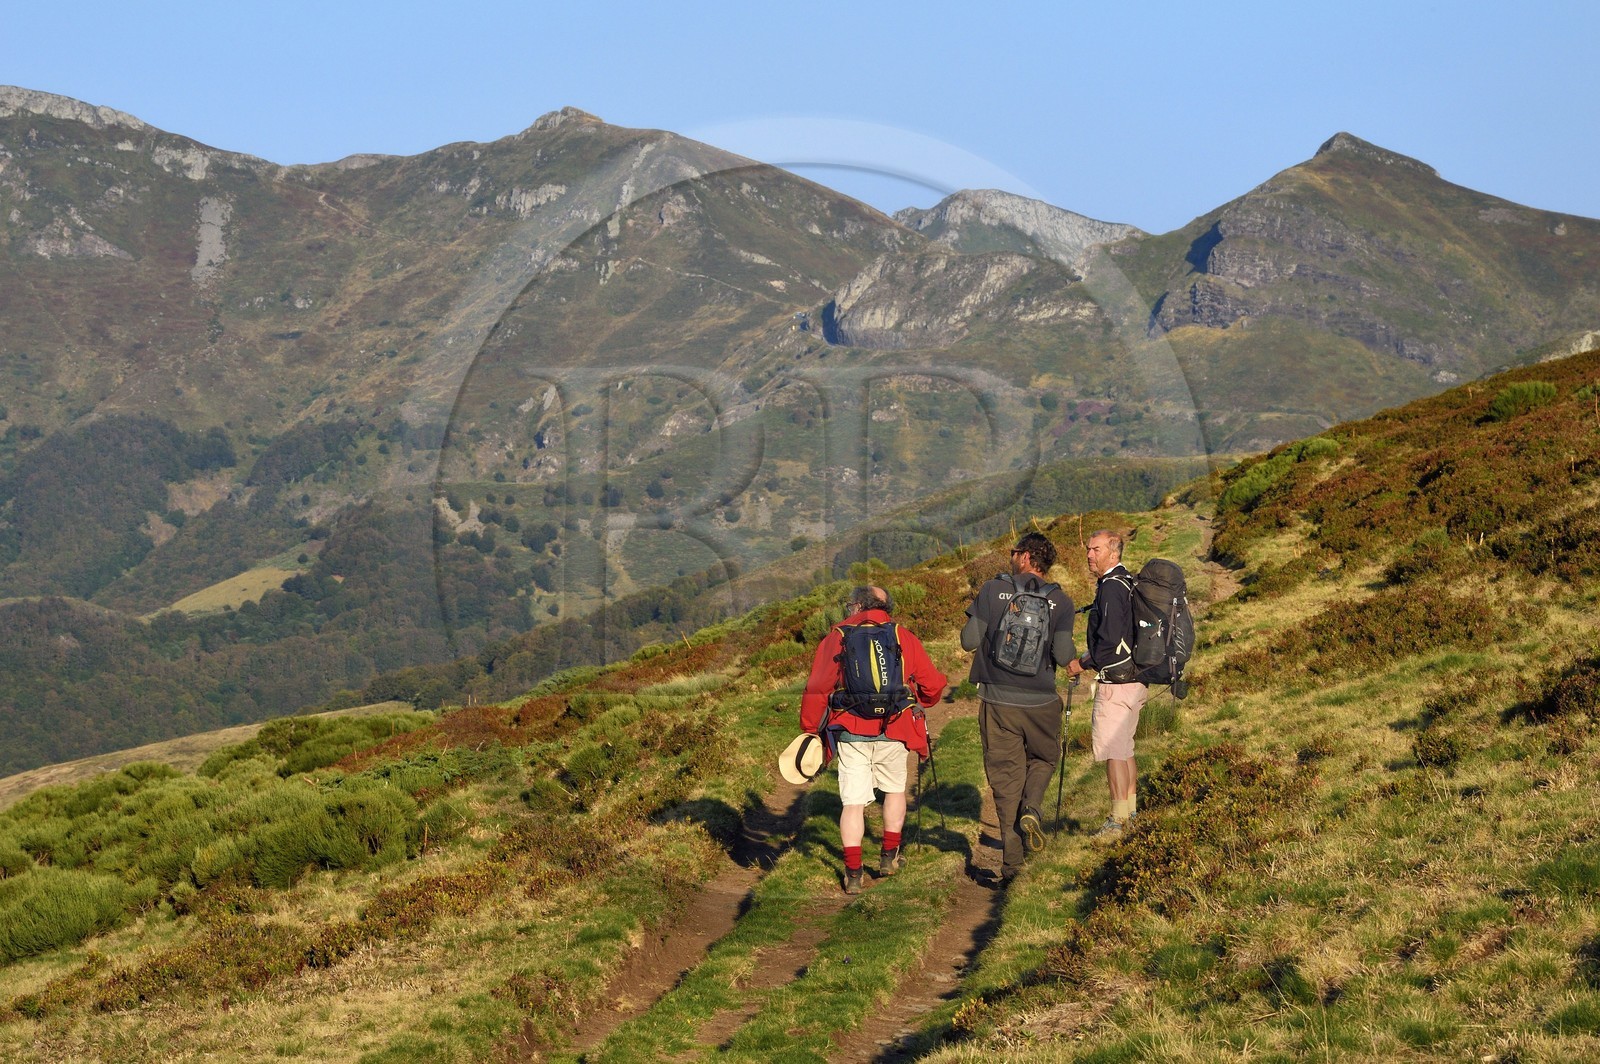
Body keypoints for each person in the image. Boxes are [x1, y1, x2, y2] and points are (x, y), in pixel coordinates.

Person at [801, 585, 948, 894]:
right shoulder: (901, 636)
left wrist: (810, 728)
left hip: (851, 729)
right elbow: (932, 686)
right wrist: (917, 698)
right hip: (893, 726)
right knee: (894, 791)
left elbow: (817, 688)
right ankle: (888, 858)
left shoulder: (837, 637)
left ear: (856, 606)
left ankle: (853, 874)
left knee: (853, 803)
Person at [961, 531, 1076, 886]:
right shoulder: (1062, 601)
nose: (1011, 557)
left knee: (1005, 782)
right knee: (1044, 759)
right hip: (1041, 701)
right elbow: (1063, 654)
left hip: (997, 702)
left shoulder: (992, 590)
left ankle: (1012, 867)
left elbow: (968, 642)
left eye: (1014, 552)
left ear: (1026, 557)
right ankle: (1034, 808)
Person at [1068, 529, 1148, 840]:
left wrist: (1082, 663)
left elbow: (1111, 639)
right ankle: (1130, 813)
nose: (1089, 555)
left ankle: (1116, 821)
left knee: (1115, 752)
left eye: (1096, 549)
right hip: (1135, 678)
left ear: (1113, 553)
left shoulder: (1112, 588)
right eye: (1088, 549)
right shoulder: (1126, 581)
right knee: (1125, 750)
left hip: (1117, 683)